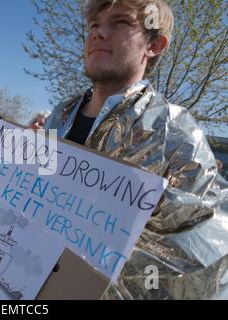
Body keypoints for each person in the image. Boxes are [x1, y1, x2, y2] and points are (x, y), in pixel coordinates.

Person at [45, 0, 228, 299]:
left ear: (154, 45)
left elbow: (203, 254)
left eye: (120, 23)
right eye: (93, 25)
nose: (98, 33)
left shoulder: (176, 133)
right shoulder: (59, 116)